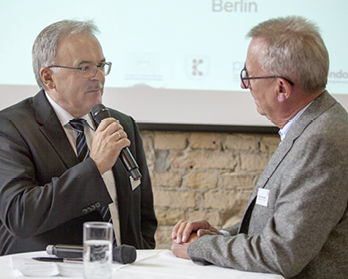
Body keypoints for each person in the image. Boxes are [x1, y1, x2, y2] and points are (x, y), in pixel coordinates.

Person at [171, 16, 348, 279]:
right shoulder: (312, 126)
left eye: (249, 76)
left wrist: (201, 247)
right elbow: (281, 225)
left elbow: (281, 253)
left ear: (281, 88)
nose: (245, 85)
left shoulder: (321, 141)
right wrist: (219, 236)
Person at [0, 20, 157, 255]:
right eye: (84, 68)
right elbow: (20, 216)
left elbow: (143, 217)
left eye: (101, 65)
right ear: (48, 78)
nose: (98, 76)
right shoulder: (11, 128)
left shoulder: (122, 124)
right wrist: (94, 168)